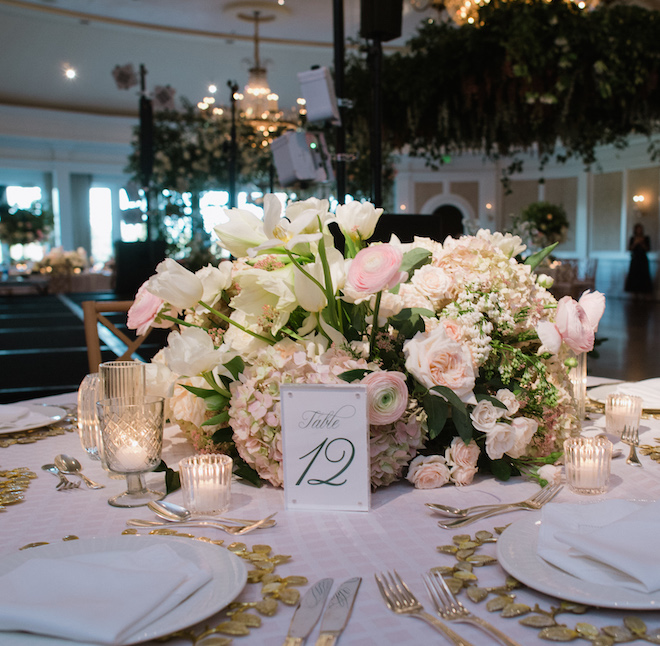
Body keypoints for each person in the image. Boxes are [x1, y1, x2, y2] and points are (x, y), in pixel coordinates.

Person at [624, 223, 653, 295]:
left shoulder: (645, 238)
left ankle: (644, 297)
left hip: (643, 260)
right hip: (635, 260)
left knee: (643, 278)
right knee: (634, 278)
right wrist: (635, 243)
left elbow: (648, 249)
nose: (639, 230)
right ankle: (635, 296)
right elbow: (630, 249)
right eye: (638, 229)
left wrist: (642, 243)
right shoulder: (633, 238)